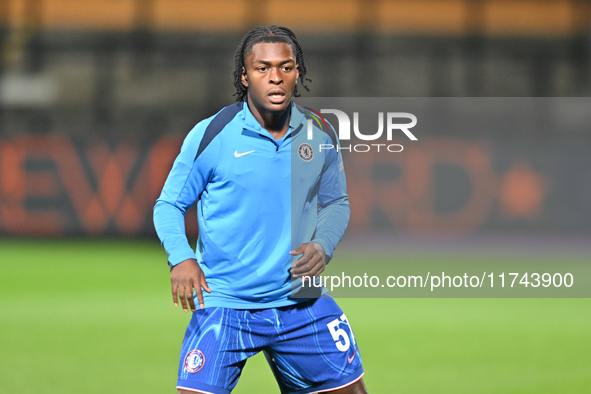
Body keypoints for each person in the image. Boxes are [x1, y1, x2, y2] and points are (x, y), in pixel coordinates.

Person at [154, 25, 368, 394]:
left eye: (285, 67)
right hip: (226, 305)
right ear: (244, 75)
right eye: (262, 68)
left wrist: (324, 244)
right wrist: (181, 258)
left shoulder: (318, 132)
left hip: (302, 304)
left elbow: (336, 202)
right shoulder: (213, 134)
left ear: (298, 72)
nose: (275, 78)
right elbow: (168, 204)